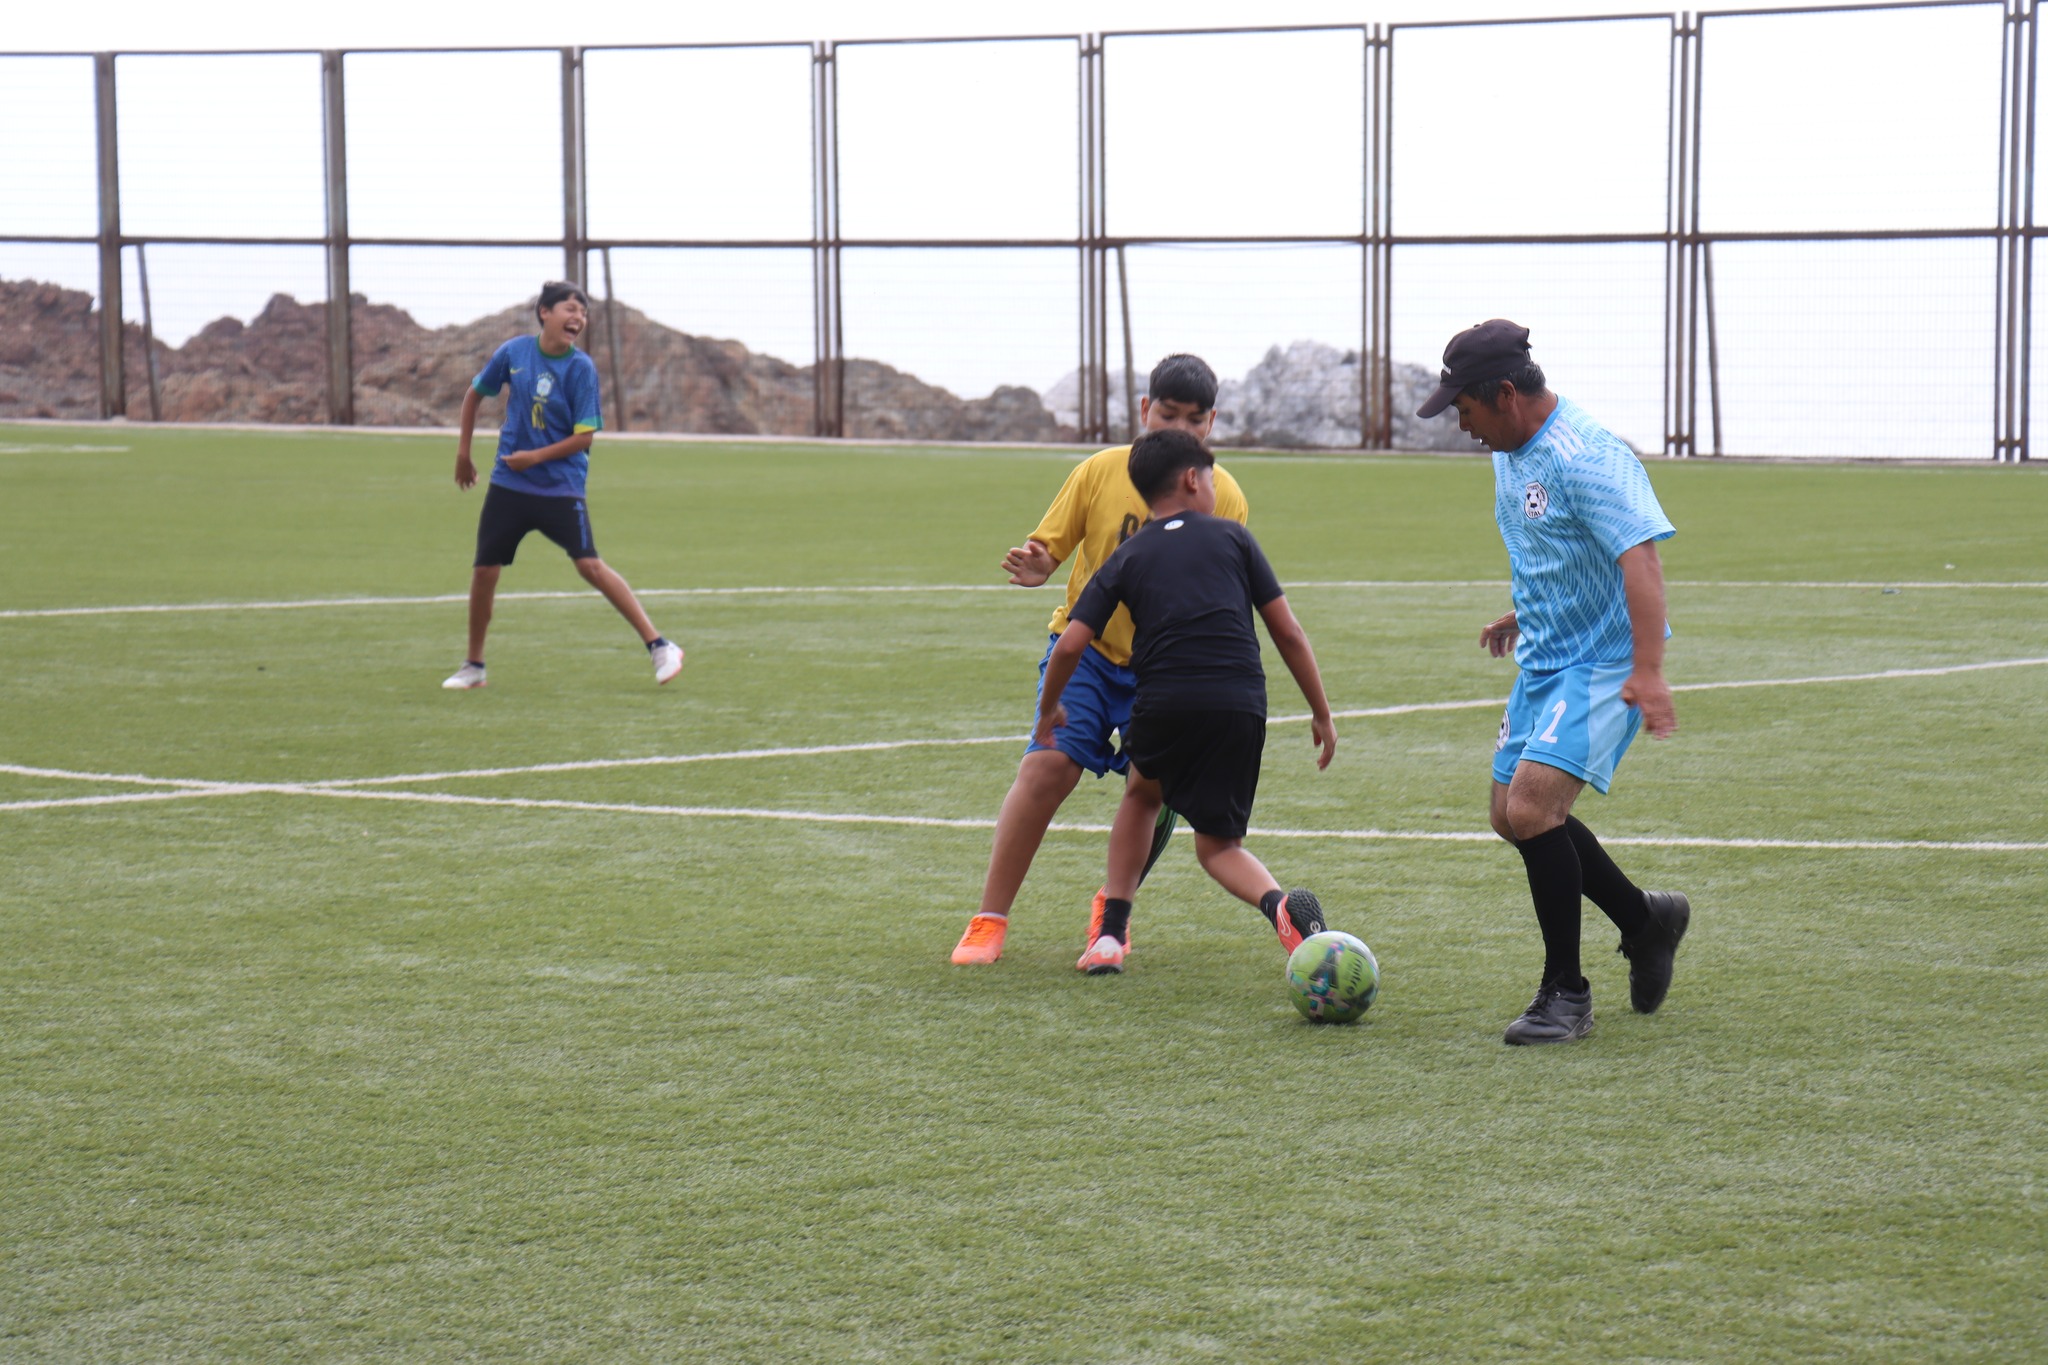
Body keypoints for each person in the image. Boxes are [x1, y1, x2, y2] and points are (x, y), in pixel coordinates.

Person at [1416, 318, 1691, 1045]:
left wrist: (1649, 672)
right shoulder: (1512, 446)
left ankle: (1565, 993)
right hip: (1545, 651)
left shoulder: (1589, 456)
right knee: (1510, 812)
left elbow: (1640, 560)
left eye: (1464, 410)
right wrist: (1523, 609)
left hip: (1602, 662)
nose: (1462, 426)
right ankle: (1645, 920)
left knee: (1536, 809)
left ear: (1504, 394)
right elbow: (1560, 541)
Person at [950, 356, 1252, 967]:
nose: (1182, 429)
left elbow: (1224, 589)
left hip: (1166, 669)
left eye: (1196, 420)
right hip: (1087, 656)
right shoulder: (1099, 471)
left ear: (1212, 424)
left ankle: (1112, 912)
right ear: (1145, 412)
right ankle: (989, 918)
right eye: (1168, 414)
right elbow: (1049, 548)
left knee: (1152, 788)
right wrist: (1039, 564)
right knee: (1049, 768)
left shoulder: (1223, 497)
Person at [1034, 428, 1337, 975]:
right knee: (1219, 845)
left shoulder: (1128, 555)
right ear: (1193, 479)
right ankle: (1279, 907)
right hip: (1240, 702)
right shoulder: (1235, 539)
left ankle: (1108, 935)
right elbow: (1287, 632)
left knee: (1142, 797)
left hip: (1166, 698)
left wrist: (1048, 708)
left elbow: (1073, 643)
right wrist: (1320, 711)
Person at [442, 280, 683, 690]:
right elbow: (474, 395)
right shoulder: (514, 353)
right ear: (545, 313)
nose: (578, 318)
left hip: (560, 488)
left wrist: (534, 457)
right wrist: (464, 453)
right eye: (570, 309)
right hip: (509, 486)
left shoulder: (580, 369)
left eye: (583, 313)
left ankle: (661, 645)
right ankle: (474, 666)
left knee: (588, 564)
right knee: (485, 571)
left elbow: (585, 436)